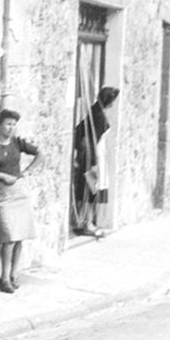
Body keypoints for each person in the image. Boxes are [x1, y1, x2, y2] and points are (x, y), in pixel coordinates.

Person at [0, 108, 41, 294]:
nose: (11, 128)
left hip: (19, 191)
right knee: (9, 235)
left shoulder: (17, 143)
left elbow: (41, 154)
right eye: (8, 124)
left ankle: (12, 274)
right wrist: (2, 176)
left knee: (19, 236)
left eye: (13, 124)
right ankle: (3, 277)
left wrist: (26, 172)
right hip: (1, 192)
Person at [72, 86, 120, 236]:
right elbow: (92, 140)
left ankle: (87, 221)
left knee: (92, 189)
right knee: (91, 189)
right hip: (95, 157)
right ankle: (87, 222)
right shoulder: (98, 117)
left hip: (97, 155)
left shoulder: (94, 112)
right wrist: (91, 162)